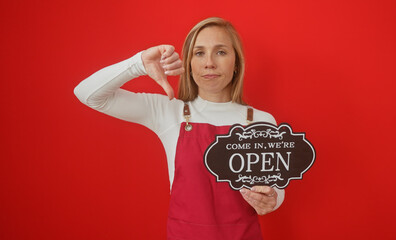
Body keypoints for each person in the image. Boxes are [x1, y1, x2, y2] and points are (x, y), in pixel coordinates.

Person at [74, 17, 284, 240]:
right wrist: (139, 63)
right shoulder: (168, 111)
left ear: (236, 63)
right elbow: (87, 94)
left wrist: (273, 200)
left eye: (221, 52)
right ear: (188, 64)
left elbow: (275, 187)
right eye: (199, 53)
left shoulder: (261, 121)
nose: (209, 63)